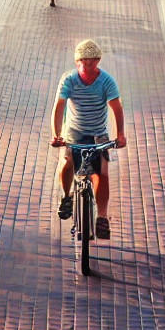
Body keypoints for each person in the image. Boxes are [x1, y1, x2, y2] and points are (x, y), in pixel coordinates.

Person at [51, 39, 125, 240]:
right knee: (67, 161)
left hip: (98, 132)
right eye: (84, 62)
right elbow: (59, 108)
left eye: (92, 61)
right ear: (77, 62)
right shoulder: (69, 80)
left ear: (98, 61)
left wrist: (120, 134)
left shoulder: (106, 81)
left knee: (101, 171)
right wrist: (57, 134)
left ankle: (101, 217)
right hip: (74, 131)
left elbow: (116, 108)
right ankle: (67, 196)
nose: (88, 65)